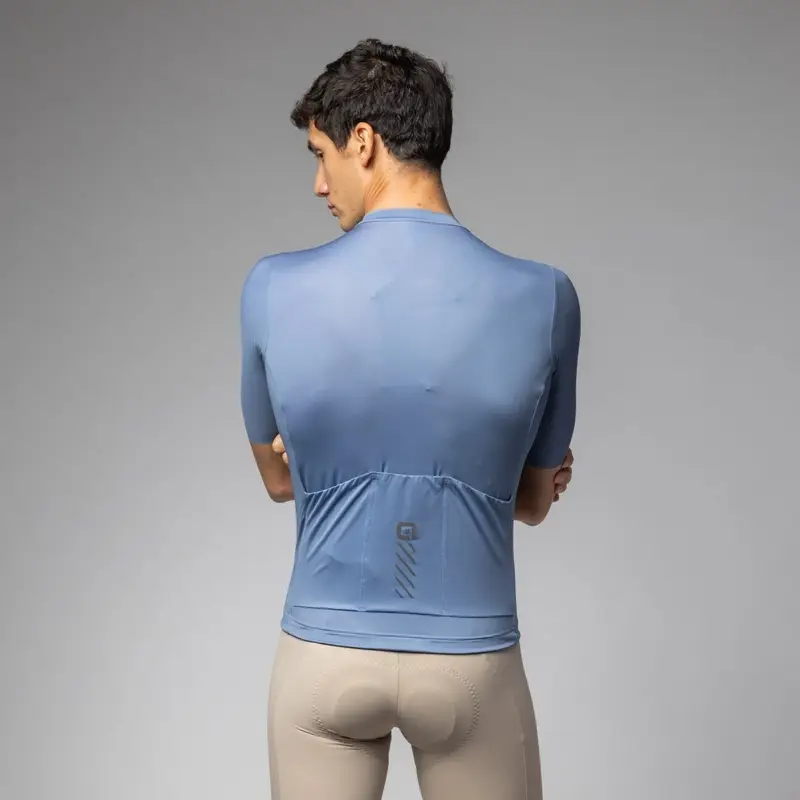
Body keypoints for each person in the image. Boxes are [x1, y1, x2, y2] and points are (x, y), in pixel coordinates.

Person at [240, 38, 580, 800]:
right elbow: (530, 501)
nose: (319, 183)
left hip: (323, 655)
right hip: (470, 660)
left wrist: (332, 458)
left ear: (363, 142)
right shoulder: (547, 298)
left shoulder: (270, 289)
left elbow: (279, 480)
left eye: (321, 154)